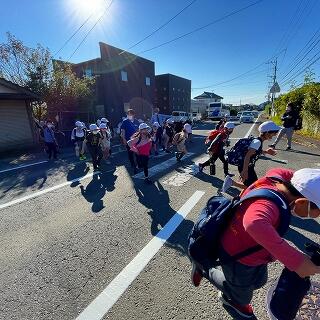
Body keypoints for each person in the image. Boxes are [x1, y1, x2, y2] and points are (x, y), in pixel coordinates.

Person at [191, 167, 320, 319]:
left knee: (259, 281)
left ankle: (234, 290)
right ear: (303, 202)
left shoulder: (280, 179)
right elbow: (254, 223)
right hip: (238, 257)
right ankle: (207, 271)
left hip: (255, 252)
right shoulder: (271, 205)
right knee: (242, 295)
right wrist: (297, 261)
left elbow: (287, 173)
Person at [222, 121, 280, 192]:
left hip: (248, 167)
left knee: (251, 186)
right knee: (254, 187)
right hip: (247, 167)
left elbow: (255, 152)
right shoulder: (257, 142)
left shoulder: (257, 141)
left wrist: (266, 152)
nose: (274, 135)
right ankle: (231, 182)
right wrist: (245, 171)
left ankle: (239, 196)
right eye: (274, 133)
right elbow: (248, 155)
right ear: (267, 132)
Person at [120, 109, 140, 174]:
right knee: (130, 153)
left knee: (137, 153)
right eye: (128, 114)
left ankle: (137, 164)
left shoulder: (137, 121)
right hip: (128, 140)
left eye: (130, 114)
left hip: (136, 140)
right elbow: (123, 131)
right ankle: (133, 164)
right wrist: (123, 139)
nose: (129, 115)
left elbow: (139, 131)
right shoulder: (125, 121)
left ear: (133, 114)